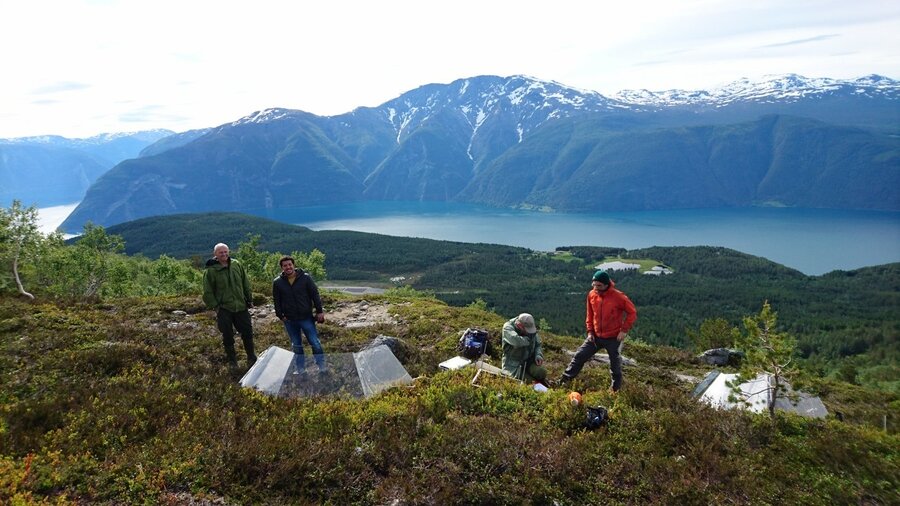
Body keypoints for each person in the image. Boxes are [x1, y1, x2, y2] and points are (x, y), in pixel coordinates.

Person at [559, 270, 637, 391]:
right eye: (594, 285)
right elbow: (589, 315)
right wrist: (590, 332)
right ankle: (563, 381)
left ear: (606, 285)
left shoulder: (619, 297)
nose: (596, 288)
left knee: (615, 366)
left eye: (599, 285)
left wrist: (624, 330)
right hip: (595, 336)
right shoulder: (591, 295)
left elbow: (632, 312)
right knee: (579, 356)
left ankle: (615, 391)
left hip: (613, 337)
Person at [202, 243, 257, 368]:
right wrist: (216, 307)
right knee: (227, 334)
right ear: (215, 254)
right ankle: (233, 362)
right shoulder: (211, 271)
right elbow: (207, 291)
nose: (224, 254)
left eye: (226, 252)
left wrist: (249, 299)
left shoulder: (237, 265)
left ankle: (251, 357)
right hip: (224, 308)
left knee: (247, 332)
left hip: (241, 306)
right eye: (221, 252)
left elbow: (245, 283)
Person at [272, 256, 327, 375]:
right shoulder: (278, 282)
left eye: (290, 265)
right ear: (282, 268)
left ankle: (321, 365)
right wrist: (280, 316)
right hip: (290, 320)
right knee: (296, 345)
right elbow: (277, 300)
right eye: (285, 265)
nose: (288, 267)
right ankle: (301, 368)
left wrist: (319, 311)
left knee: (315, 342)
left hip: (306, 317)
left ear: (294, 265)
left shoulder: (305, 278)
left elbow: (315, 295)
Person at [501, 313, 547, 384]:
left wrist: (538, 355)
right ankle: (539, 385)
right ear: (519, 325)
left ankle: (542, 383)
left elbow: (538, 345)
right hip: (513, 364)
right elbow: (516, 340)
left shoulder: (531, 330)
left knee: (541, 372)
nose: (529, 332)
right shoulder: (508, 327)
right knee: (531, 382)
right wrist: (528, 340)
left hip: (528, 361)